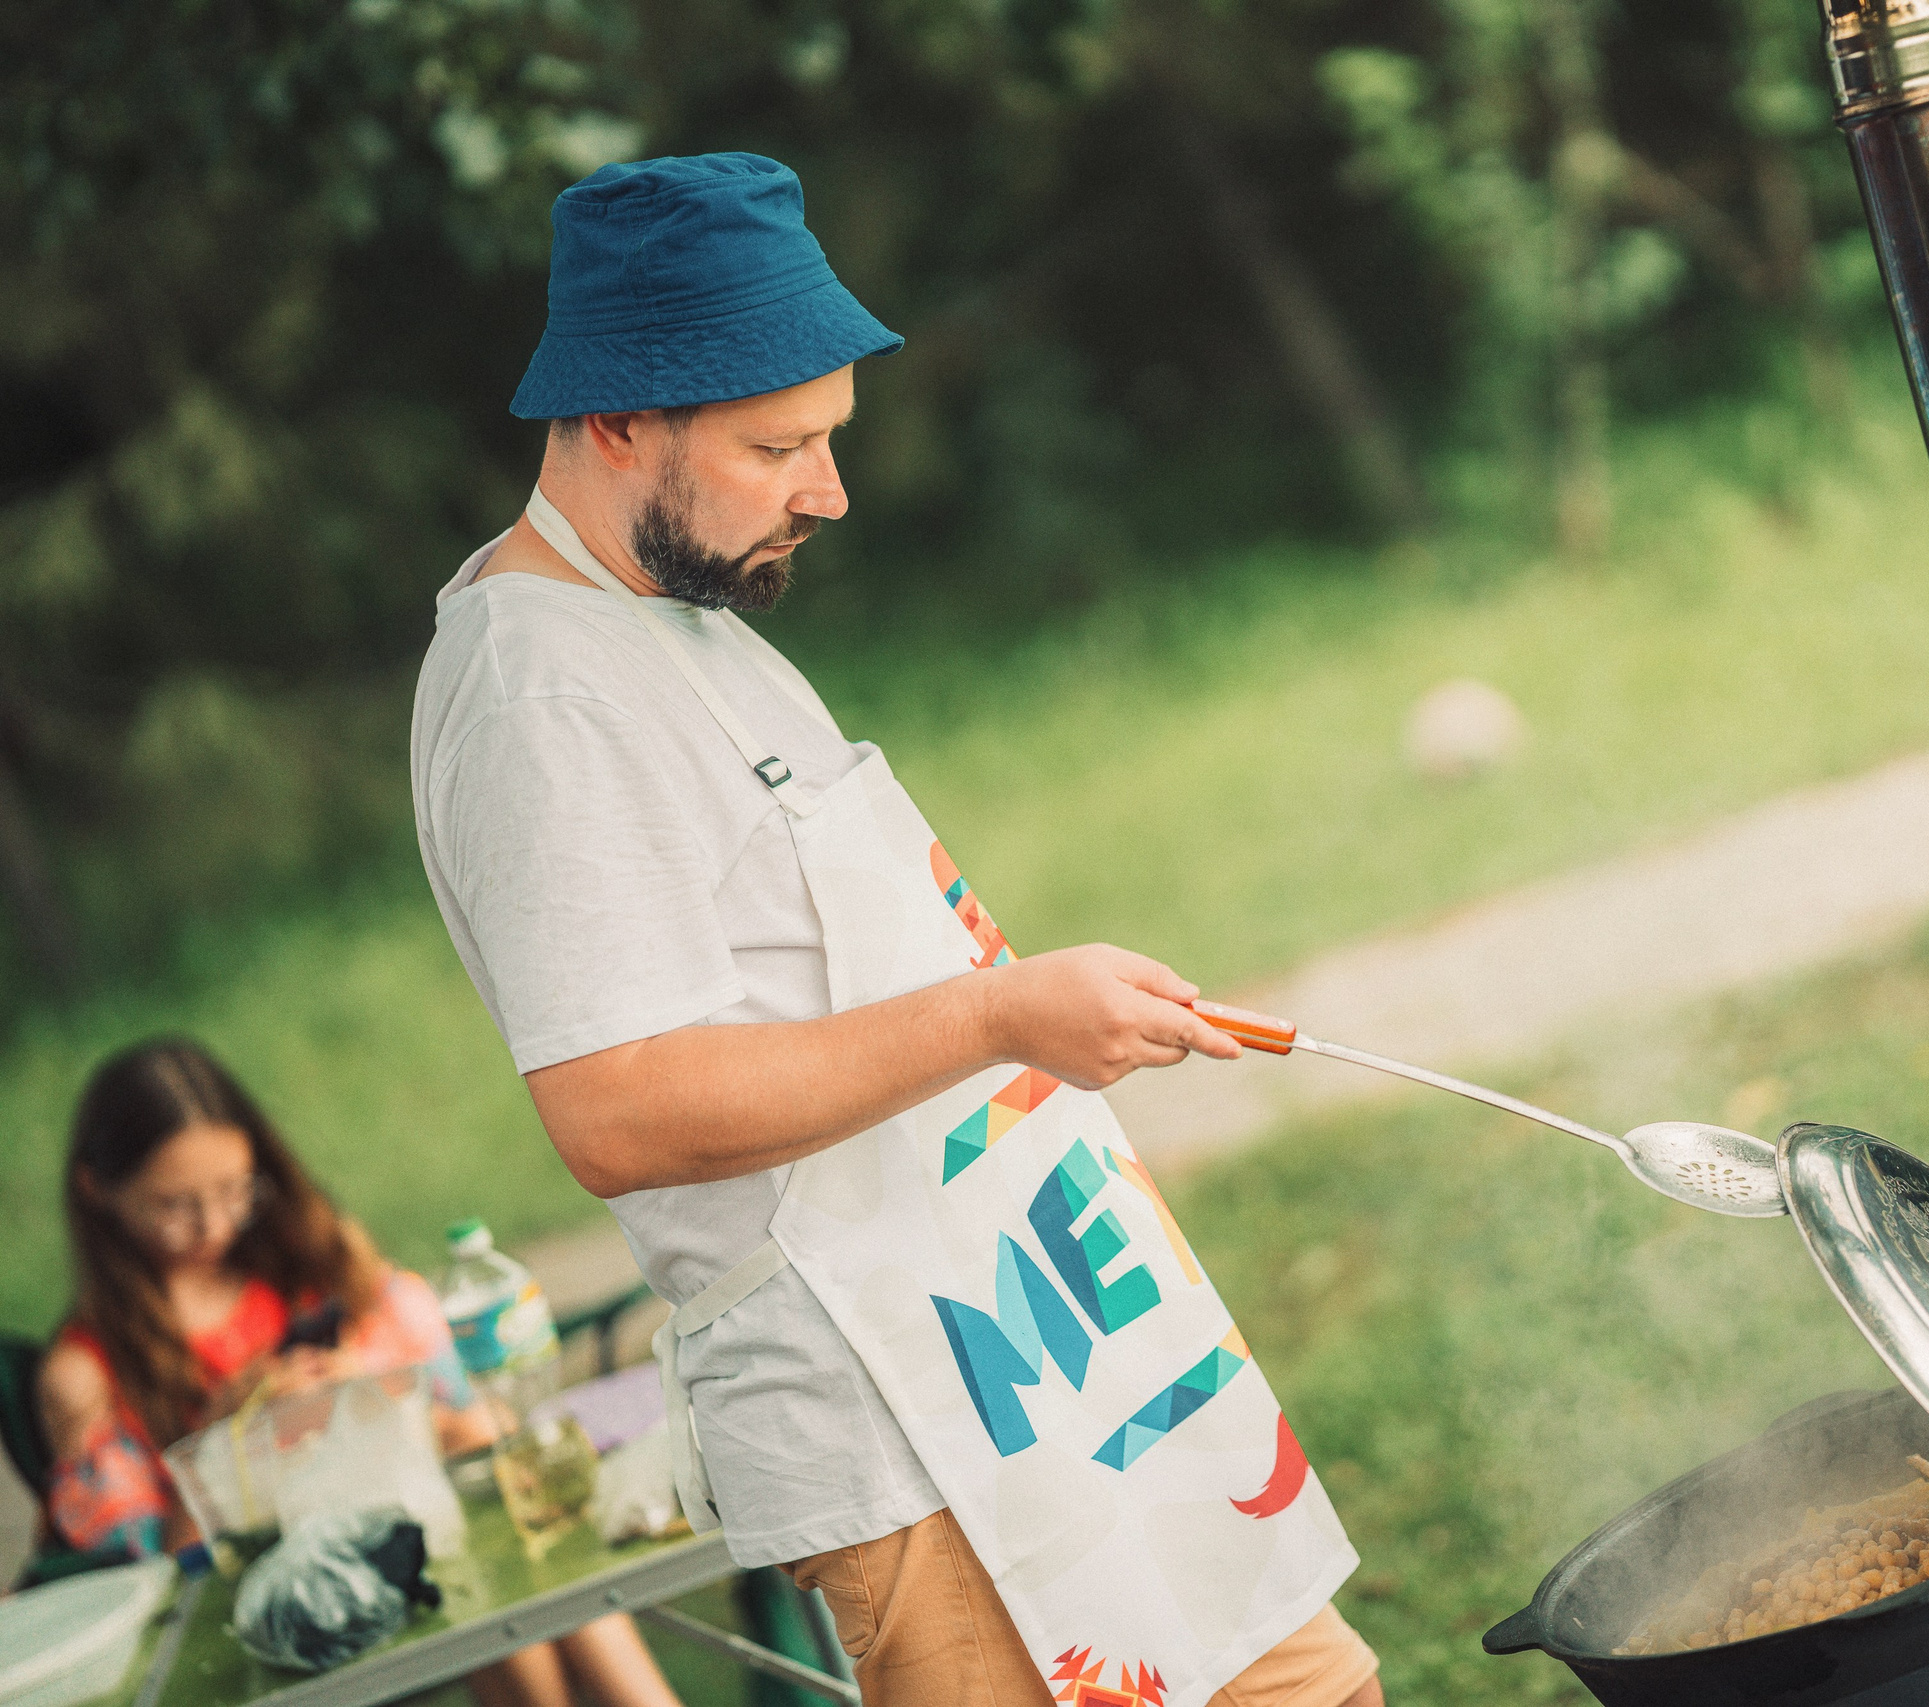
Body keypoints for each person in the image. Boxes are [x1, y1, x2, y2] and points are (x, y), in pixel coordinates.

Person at [410, 152, 1382, 1707]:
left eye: (830, 438)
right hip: (911, 1425)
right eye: (776, 444)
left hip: (1057, 1337)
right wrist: (1000, 1020)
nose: (829, 491)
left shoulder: (678, 620)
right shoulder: (541, 697)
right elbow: (617, 1104)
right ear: (614, 422)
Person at [36, 1037, 681, 1707]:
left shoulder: (305, 1257)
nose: (213, 1224)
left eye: (235, 1190)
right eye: (174, 1204)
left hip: (414, 1539)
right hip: (284, 1605)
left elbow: (456, 1403)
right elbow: (157, 1589)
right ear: (97, 1190)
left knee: (469, 1448)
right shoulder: (86, 1373)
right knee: (487, 1539)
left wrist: (359, 1385)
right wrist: (226, 1435)